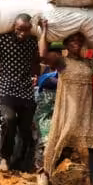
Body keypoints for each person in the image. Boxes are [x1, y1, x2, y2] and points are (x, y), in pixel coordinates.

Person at [40, 27, 93, 185]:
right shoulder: (61, 61)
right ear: (66, 44)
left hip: (87, 110)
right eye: (72, 40)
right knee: (61, 142)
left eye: (79, 40)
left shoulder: (88, 62)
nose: (76, 42)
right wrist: (44, 32)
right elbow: (43, 55)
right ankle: (46, 173)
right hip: (68, 110)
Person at [0, 14, 40, 172]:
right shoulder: (2, 39)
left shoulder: (32, 42)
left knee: (26, 128)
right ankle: (4, 159)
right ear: (13, 26)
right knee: (9, 120)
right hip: (7, 88)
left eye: (26, 30)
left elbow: (37, 61)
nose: (22, 34)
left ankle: (23, 162)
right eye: (19, 30)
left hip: (26, 90)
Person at [33, 44, 62, 177]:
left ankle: (50, 168)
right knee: (43, 139)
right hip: (43, 113)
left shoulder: (62, 72)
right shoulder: (45, 72)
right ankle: (41, 169)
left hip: (58, 112)